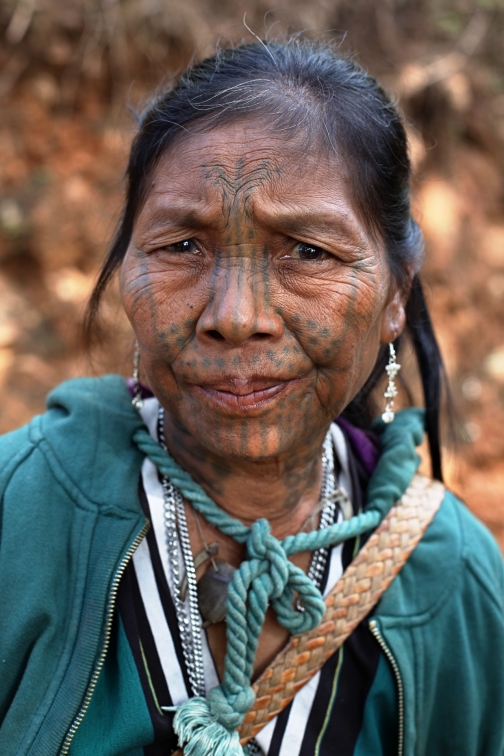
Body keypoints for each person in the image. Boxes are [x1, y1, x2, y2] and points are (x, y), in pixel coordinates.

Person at [0, 38, 503, 756]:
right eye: (183, 247)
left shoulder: (453, 585)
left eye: (307, 252)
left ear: (397, 295)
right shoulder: (20, 518)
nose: (234, 315)